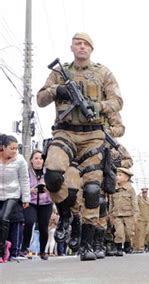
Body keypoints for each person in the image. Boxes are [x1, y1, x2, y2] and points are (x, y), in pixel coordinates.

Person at [36, 32, 123, 261]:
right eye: (78, 44)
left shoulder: (103, 73)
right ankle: (65, 212)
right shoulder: (58, 72)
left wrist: (97, 105)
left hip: (93, 136)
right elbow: (41, 99)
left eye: (86, 44)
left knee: (93, 190)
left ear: (91, 49)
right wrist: (57, 90)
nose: (82, 47)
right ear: (72, 47)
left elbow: (117, 102)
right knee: (52, 175)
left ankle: (86, 244)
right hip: (64, 132)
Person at [0, 135, 30, 263]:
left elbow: (24, 179)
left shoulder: (20, 160)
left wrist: (26, 198)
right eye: (11, 148)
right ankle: (5, 244)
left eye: (16, 148)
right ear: (3, 147)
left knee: (3, 217)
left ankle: (1, 250)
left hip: (12, 194)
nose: (14, 151)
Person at [21, 150, 53, 260]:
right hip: (31, 202)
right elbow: (22, 188)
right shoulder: (26, 172)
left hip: (46, 203)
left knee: (44, 227)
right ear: (31, 160)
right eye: (36, 158)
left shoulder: (48, 173)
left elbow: (56, 187)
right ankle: (24, 247)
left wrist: (48, 188)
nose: (38, 161)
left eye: (41, 158)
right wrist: (31, 190)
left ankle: (43, 251)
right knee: (29, 222)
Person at [110, 167, 138, 256]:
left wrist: (136, 214)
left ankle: (127, 245)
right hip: (117, 215)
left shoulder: (130, 189)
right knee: (119, 232)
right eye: (117, 175)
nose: (117, 177)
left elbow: (134, 202)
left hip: (128, 215)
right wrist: (110, 214)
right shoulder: (114, 189)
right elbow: (111, 203)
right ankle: (118, 248)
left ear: (126, 178)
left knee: (129, 232)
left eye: (120, 175)